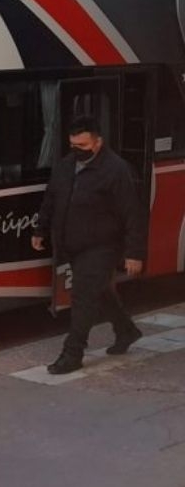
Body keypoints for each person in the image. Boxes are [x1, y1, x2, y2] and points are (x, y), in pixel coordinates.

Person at [31, 115, 146, 375]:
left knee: (82, 296)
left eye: (82, 145)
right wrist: (40, 229)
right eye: (73, 145)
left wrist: (134, 253)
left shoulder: (116, 170)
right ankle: (126, 330)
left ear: (98, 142)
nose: (77, 150)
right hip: (72, 244)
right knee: (99, 289)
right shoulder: (65, 165)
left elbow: (132, 213)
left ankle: (72, 353)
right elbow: (51, 199)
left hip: (102, 245)